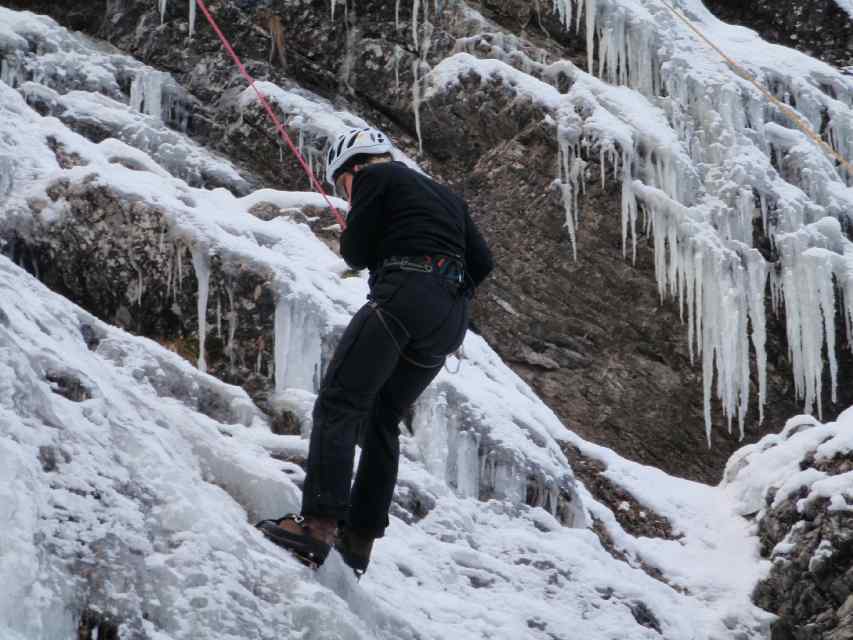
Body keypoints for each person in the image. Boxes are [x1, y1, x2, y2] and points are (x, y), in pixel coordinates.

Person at [256, 127, 494, 576]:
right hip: (449, 321)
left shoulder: (373, 178)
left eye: (341, 186)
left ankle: (318, 525)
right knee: (381, 416)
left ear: (350, 169)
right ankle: (358, 541)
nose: (346, 193)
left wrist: (380, 247)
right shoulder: (448, 198)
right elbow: (482, 263)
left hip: (404, 293)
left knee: (340, 401)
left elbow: (356, 251)